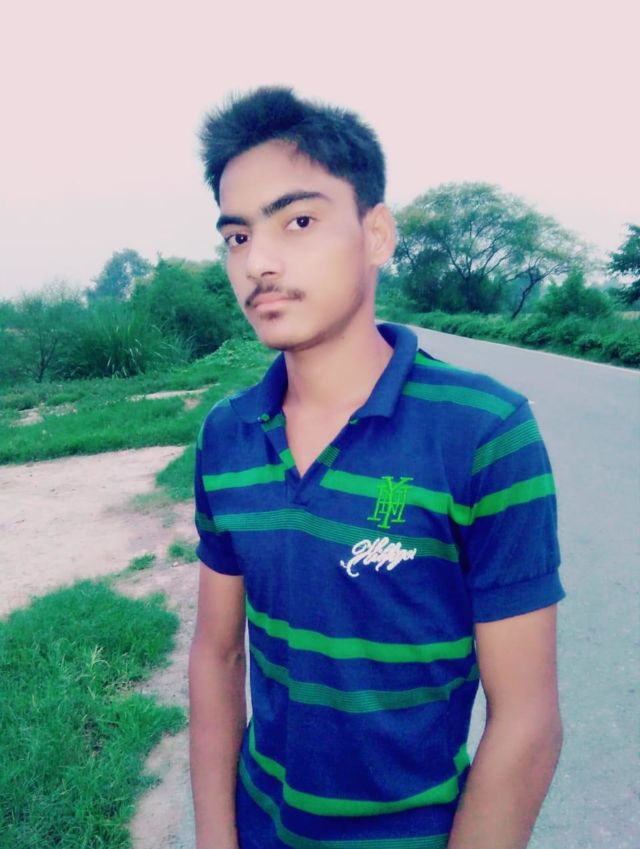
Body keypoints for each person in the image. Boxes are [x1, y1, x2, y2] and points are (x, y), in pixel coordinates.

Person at [189, 86, 565, 849]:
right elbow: (217, 652)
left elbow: (526, 719)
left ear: (377, 235)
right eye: (237, 235)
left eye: (298, 221)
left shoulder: (483, 432)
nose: (258, 262)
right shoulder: (228, 436)